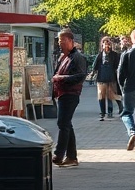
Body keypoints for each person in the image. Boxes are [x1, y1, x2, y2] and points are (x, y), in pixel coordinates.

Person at [51, 28, 87, 167]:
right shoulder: (63, 57)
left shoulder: (77, 58)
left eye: (63, 41)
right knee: (66, 124)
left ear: (71, 41)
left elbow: (80, 76)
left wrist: (60, 78)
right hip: (62, 94)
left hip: (70, 94)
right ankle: (71, 156)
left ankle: (59, 154)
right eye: (59, 41)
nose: (60, 43)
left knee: (63, 123)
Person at [92, 36, 123, 120]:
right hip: (101, 78)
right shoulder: (100, 55)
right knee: (101, 96)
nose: (107, 46)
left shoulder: (115, 55)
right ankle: (102, 113)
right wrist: (93, 73)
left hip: (111, 78)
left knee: (111, 96)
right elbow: (95, 66)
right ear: (102, 45)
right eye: (105, 44)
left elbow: (118, 66)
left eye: (108, 43)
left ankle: (111, 112)